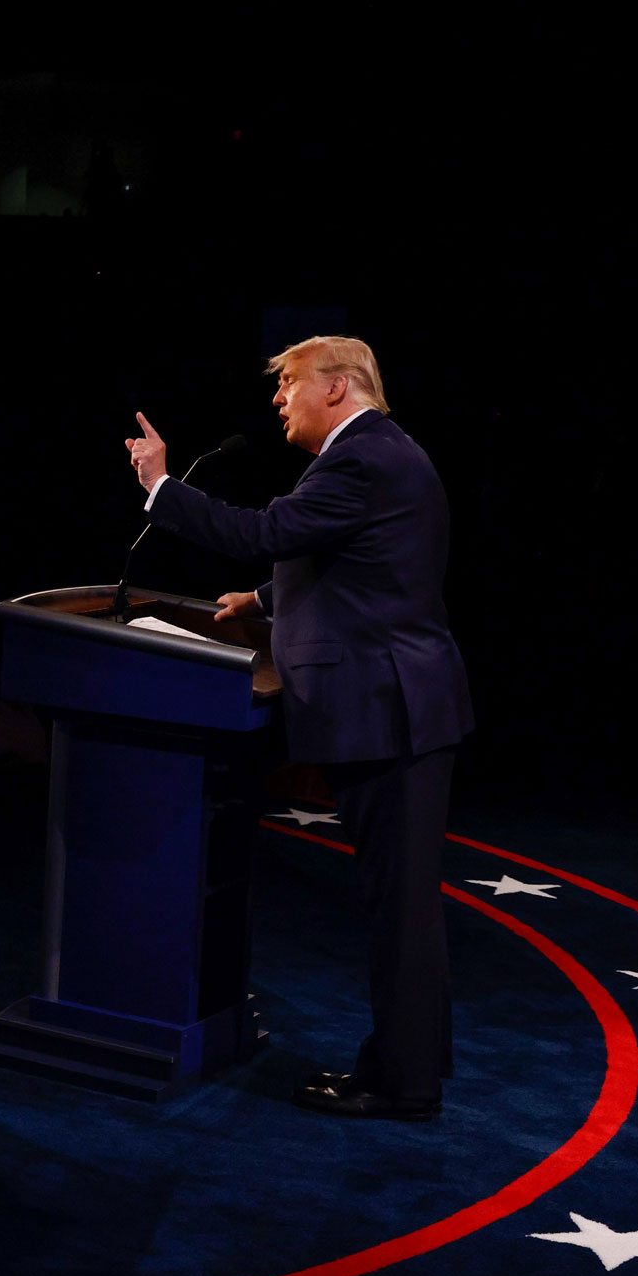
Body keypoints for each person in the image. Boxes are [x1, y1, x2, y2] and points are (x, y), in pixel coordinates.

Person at [126, 335, 472, 1123]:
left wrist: (161, 487)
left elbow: (265, 531)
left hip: (393, 715)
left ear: (340, 387)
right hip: (401, 709)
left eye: (289, 383)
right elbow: (366, 567)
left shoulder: (361, 459)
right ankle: (404, 1066)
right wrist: (263, 598)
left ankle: (403, 1084)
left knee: (401, 908)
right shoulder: (381, 457)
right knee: (401, 905)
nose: (279, 398)